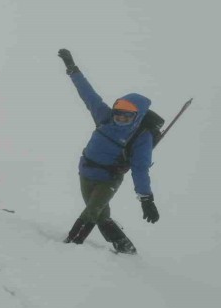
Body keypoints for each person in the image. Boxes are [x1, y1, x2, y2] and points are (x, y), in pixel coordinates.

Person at [58, 48, 160, 254]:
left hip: (108, 179)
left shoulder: (142, 137)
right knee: (101, 215)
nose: (120, 119)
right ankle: (124, 246)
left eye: (126, 117)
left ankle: (70, 245)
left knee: (91, 212)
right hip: (85, 172)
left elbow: (140, 169)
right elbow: (88, 94)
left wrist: (146, 199)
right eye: (118, 114)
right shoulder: (104, 117)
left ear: (137, 117)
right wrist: (72, 68)